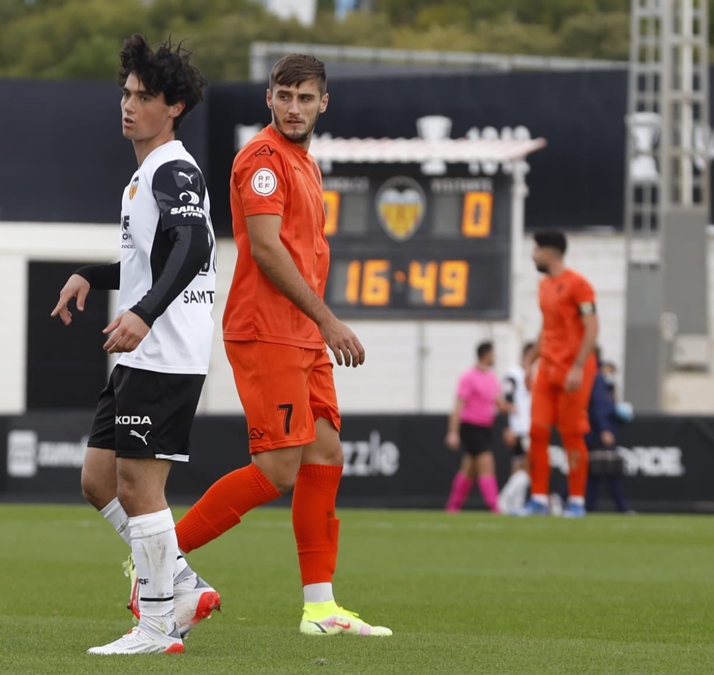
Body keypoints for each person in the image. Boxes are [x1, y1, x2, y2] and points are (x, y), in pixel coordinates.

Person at [166, 53, 391, 637]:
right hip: (269, 330)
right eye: (285, 95)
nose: (294, 106)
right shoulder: (263, 158)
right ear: (269, 97)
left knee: (326, 455)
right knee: (276, 467)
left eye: (305, 97)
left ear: (323, 103)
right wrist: (330, 321)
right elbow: (265, 250)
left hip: (300, 333)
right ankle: (154, 567)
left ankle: (320, 609)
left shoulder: (305, 163)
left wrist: (317, 327)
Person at [51, 34, 218, 656]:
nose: (128, 106)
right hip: (140, 354)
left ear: (173, 107)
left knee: (139, 490)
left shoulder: (173, 168)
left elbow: (194, 245)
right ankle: (179, 583)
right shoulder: (146, 174)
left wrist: (145, 314)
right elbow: (154, 260)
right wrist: (93, 275)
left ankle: (156, 628)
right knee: (99, 481)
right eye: (125, 94)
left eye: (143, 97)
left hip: (165, 352)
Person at [515, 229, 600, 518]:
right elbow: (547, 327)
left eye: (536, 250)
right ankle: (539, 498)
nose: (532, 255)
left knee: (572, 434)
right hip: (548, 368)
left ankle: (576, 501)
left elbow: (592, 327)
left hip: (573, 370)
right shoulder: (544, 286)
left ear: (549, 253)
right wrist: (530, 360)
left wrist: (578, 366)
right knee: (537, 431)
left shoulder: (579, 285)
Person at [444, 341, 508, 513]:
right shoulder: (468, 377)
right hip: (471, 427)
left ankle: (453, 507)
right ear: (486, 354)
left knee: (469, 470)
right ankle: (495, 508)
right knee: (487, 464)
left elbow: (498, 402)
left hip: (485, 428)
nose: (495, 357)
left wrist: (514, 408)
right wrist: (453, 432)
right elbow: (458, 406)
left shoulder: (492, 377)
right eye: (493, 353)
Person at [586, 359, 631, 513]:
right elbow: (599, 411)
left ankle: (590, 508)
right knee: (597, 473)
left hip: (608, 433)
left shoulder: (610, 389)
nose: (609, 374)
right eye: (607, 370)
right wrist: (605, 430)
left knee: (598, 474)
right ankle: (564, 498)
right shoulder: (599, 387)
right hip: (598, 436)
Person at [497, 342, 534, 514]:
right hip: (519, 428)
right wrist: (507, 427)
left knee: (520, 467)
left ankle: (515, 504)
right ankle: (504, 499)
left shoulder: (533, 374)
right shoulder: (513, 374)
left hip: (530, 427)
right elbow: (505, 402)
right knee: (526, 466)